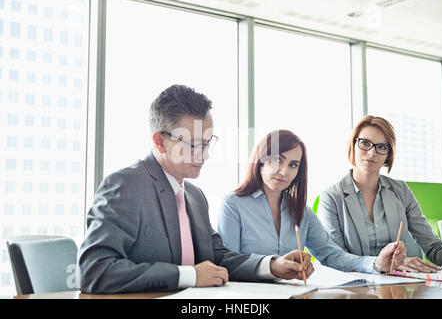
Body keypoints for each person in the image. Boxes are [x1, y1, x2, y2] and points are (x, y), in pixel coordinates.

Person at [77, 85, 309, 294]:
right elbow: (94, 270)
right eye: (194, 144)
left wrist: (271, 266)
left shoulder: (194, 196)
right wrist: (189, 275)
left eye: (207, 144)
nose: (205, 155)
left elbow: (217, 257)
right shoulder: (126, 185)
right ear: (159, 141)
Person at [218, 129, 406, 274]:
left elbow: (331, 255)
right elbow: (228, 263)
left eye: (293, 165)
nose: (284, 172)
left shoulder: (302, 212)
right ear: (260, 160)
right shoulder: (233, 204)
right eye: (277, 160)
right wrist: (272, 266)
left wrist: (376, 263)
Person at [317, 115, 442, 272]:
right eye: (365, 143)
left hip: (400, 286)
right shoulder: (331, 197)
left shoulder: (401, 190)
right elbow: (334, 257)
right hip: (356, 288)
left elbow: (434, 249)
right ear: (353, 145)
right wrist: (377, 264)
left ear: (388, 154)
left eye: (381, 147)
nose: (372, 153)